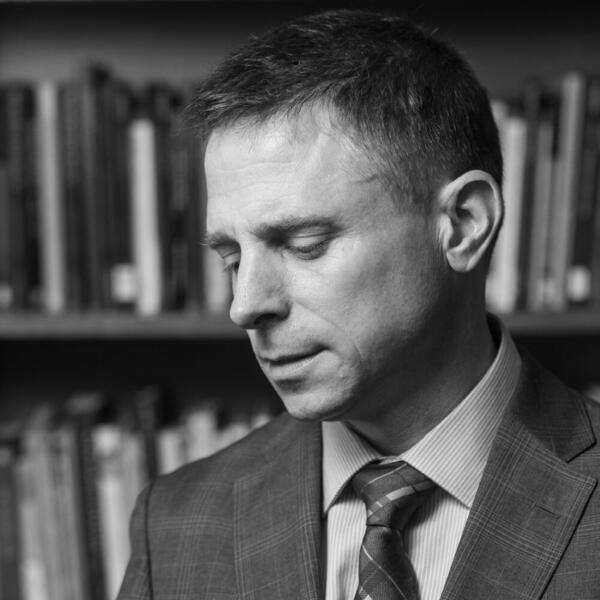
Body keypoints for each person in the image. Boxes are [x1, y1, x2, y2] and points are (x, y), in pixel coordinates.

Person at [117, 9, 600, 600]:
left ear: (464, 224)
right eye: (231, 259)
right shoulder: (174, 525)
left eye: (304, 245)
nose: (245, 306)